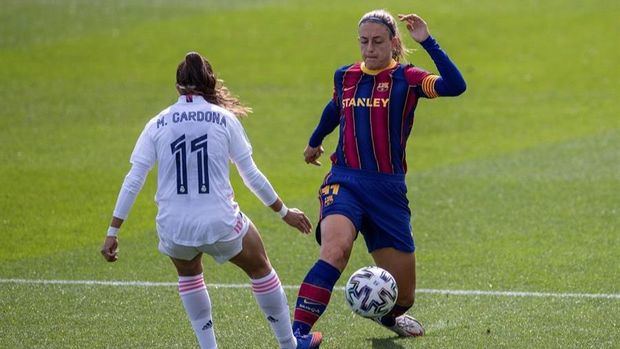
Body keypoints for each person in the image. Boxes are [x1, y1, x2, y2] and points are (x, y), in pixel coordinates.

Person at [100, 52, 323, 349]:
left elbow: (134, 178)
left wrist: (113, 231)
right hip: (220, 222)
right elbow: (251, 176)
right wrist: (284, 212)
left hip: (174, 227)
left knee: (190, 277)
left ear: (178, 87)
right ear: (210, 84)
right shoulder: (223, 118)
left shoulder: (157, 123)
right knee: (260, 268)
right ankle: (289, 345)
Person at [291, 10, 466, 339]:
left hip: (387, 191)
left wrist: (427, 41)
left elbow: (456, 86)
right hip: (344, 181)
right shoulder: (345, 76)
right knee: (335, 249)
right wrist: (315, 142)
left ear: (393, 42)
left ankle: (387, 317)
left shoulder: (409, 78)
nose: (369, 48)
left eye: (377, 41)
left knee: (404, 297)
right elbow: (335, 109)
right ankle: (296, 335)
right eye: (363, 41)